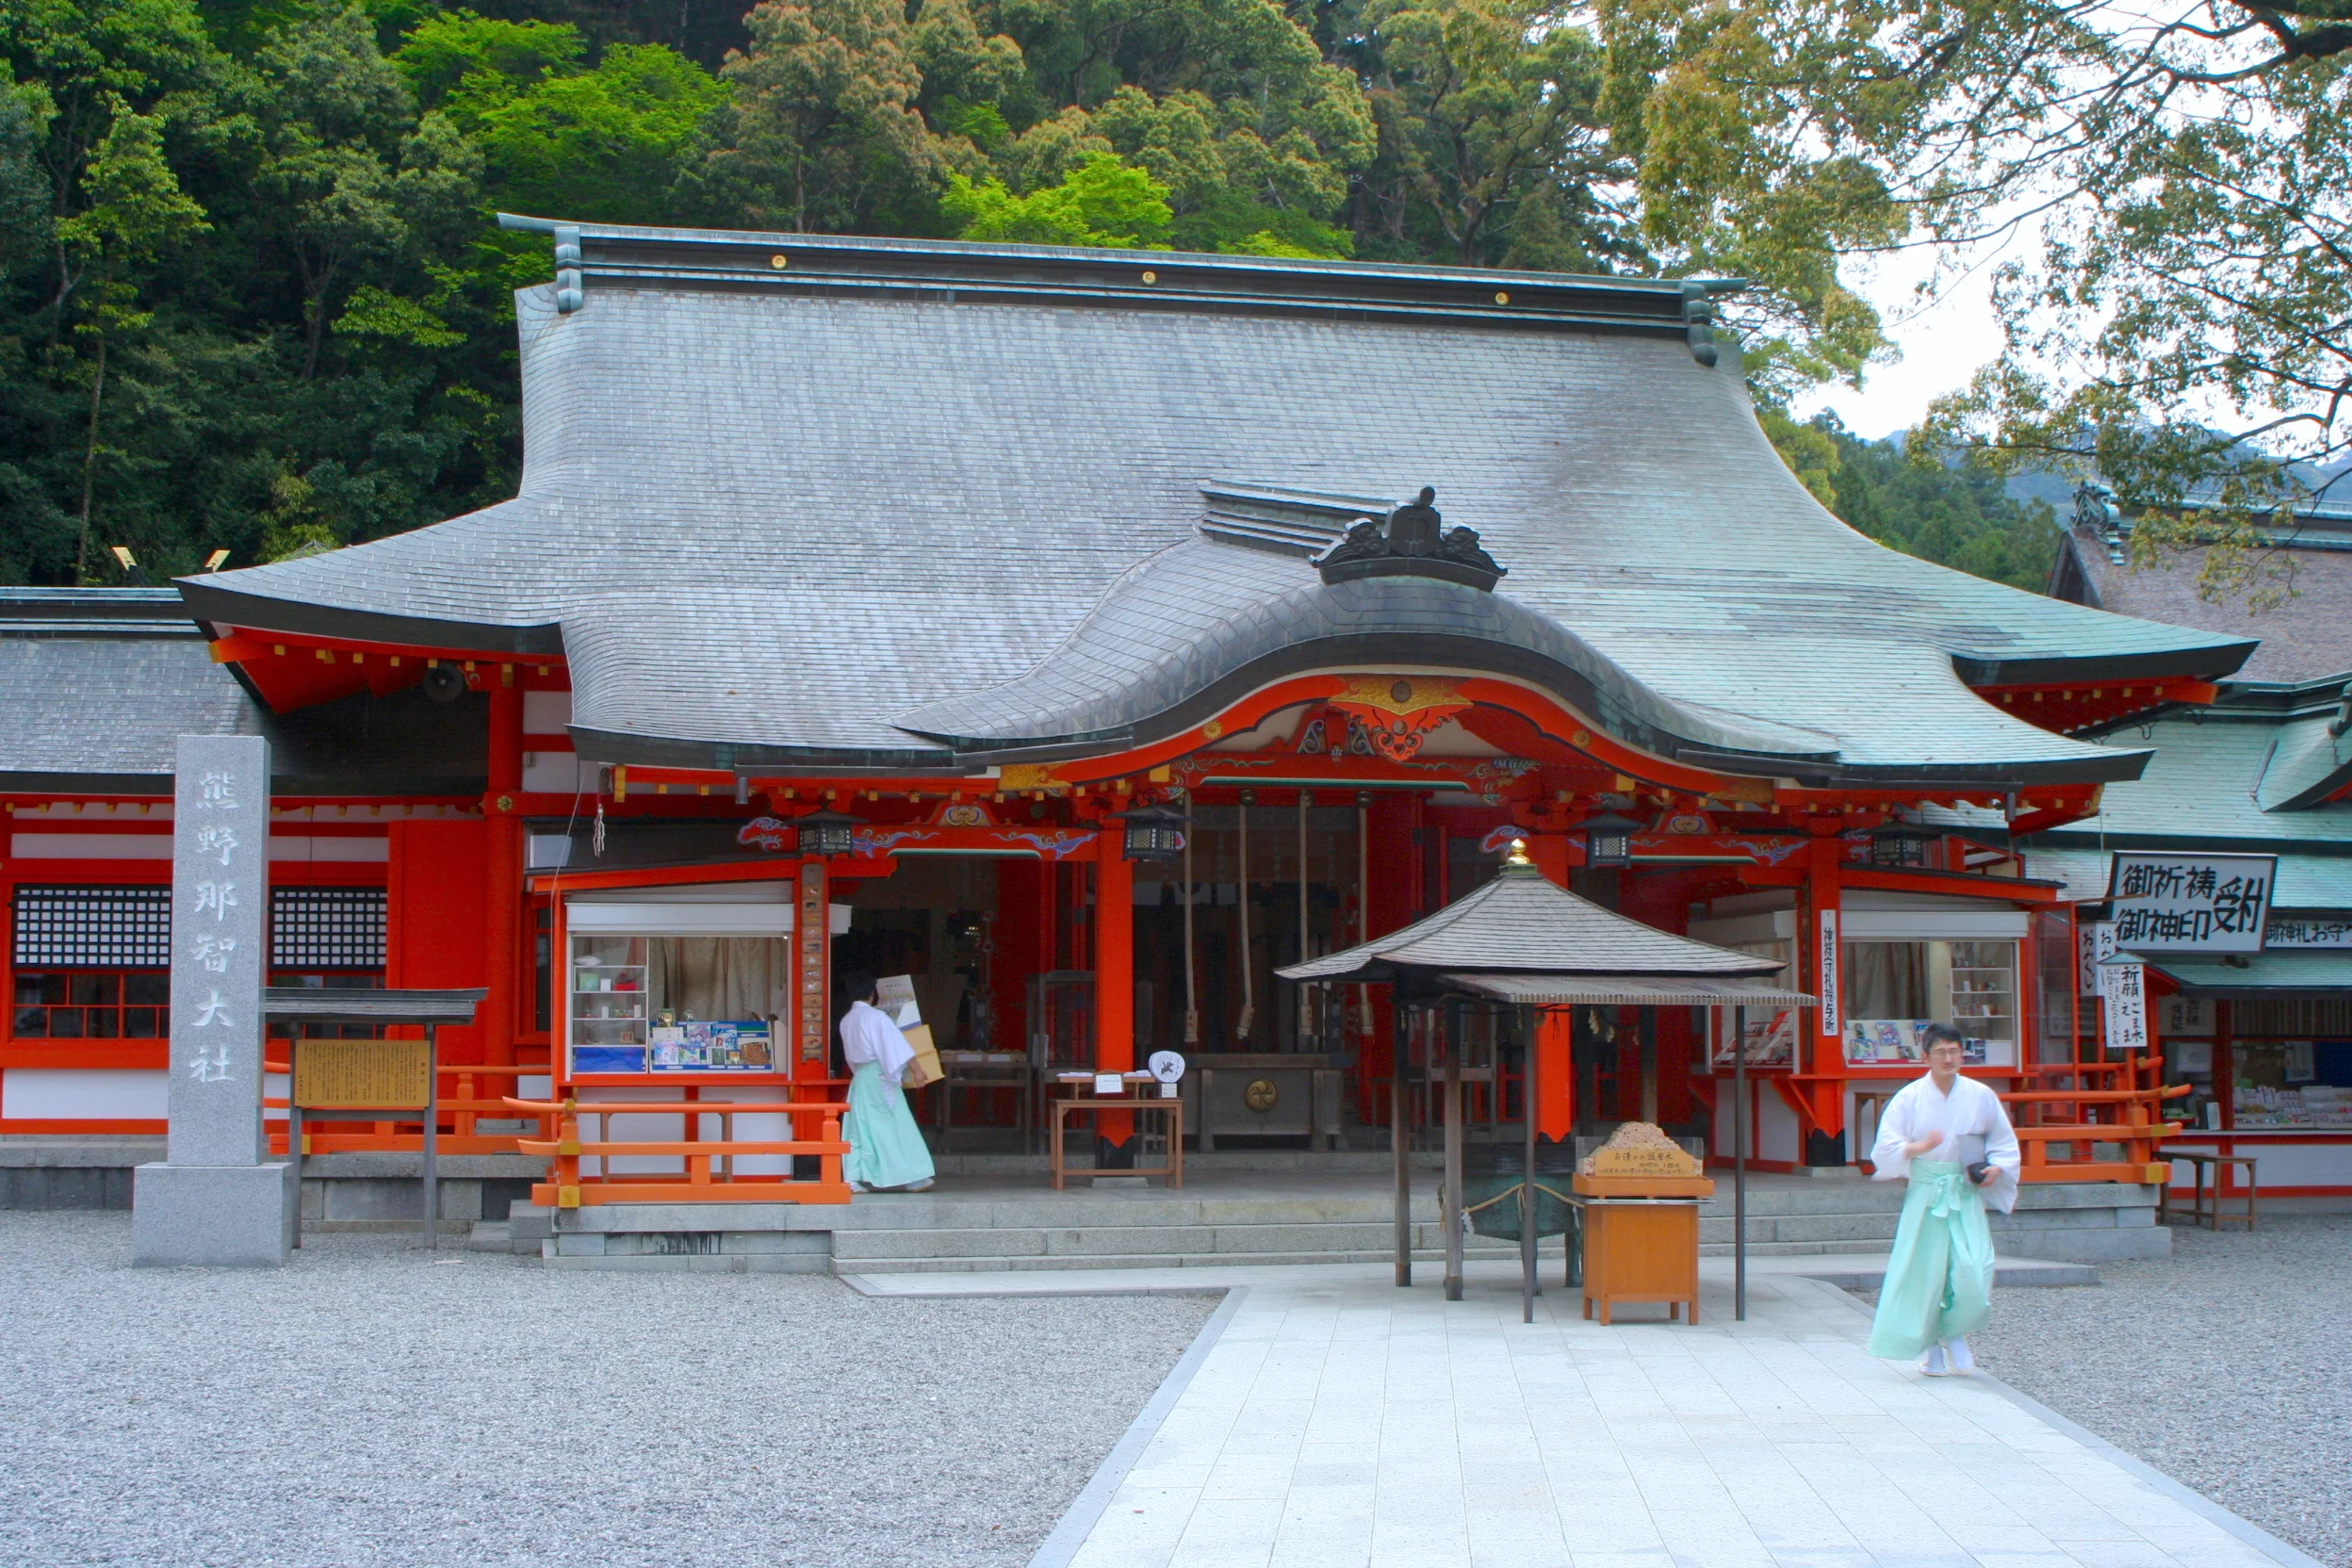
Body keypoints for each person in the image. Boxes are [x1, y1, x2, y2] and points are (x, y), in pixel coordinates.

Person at [1867, 1021, 2021, 1376]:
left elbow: (2001, 1141)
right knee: (1924, 1273)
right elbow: (1885, 1148)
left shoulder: (1980, 1095)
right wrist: (1918, 1148)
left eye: (1954, 1051)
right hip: (1926, 1190)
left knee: (1974, 1269)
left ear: (1962, 1053)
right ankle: (1932, 1346)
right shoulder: (1910, 1097)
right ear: (1926, 1057)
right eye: (1941, 1052)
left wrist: (1997, 1167)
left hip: (1963, 1189)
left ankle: (1953, 1332)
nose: (1949, 1058)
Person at [837, 973, 936, 1193]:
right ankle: (912, 1177)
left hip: (860, 1079)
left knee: (858, 1128)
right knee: (894, 1126)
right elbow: (897, 1046)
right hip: (878, 1078)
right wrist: (917, 1070)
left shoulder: (846, 1020)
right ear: (873, 994)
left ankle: (852, 1178)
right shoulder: (876, 1017)